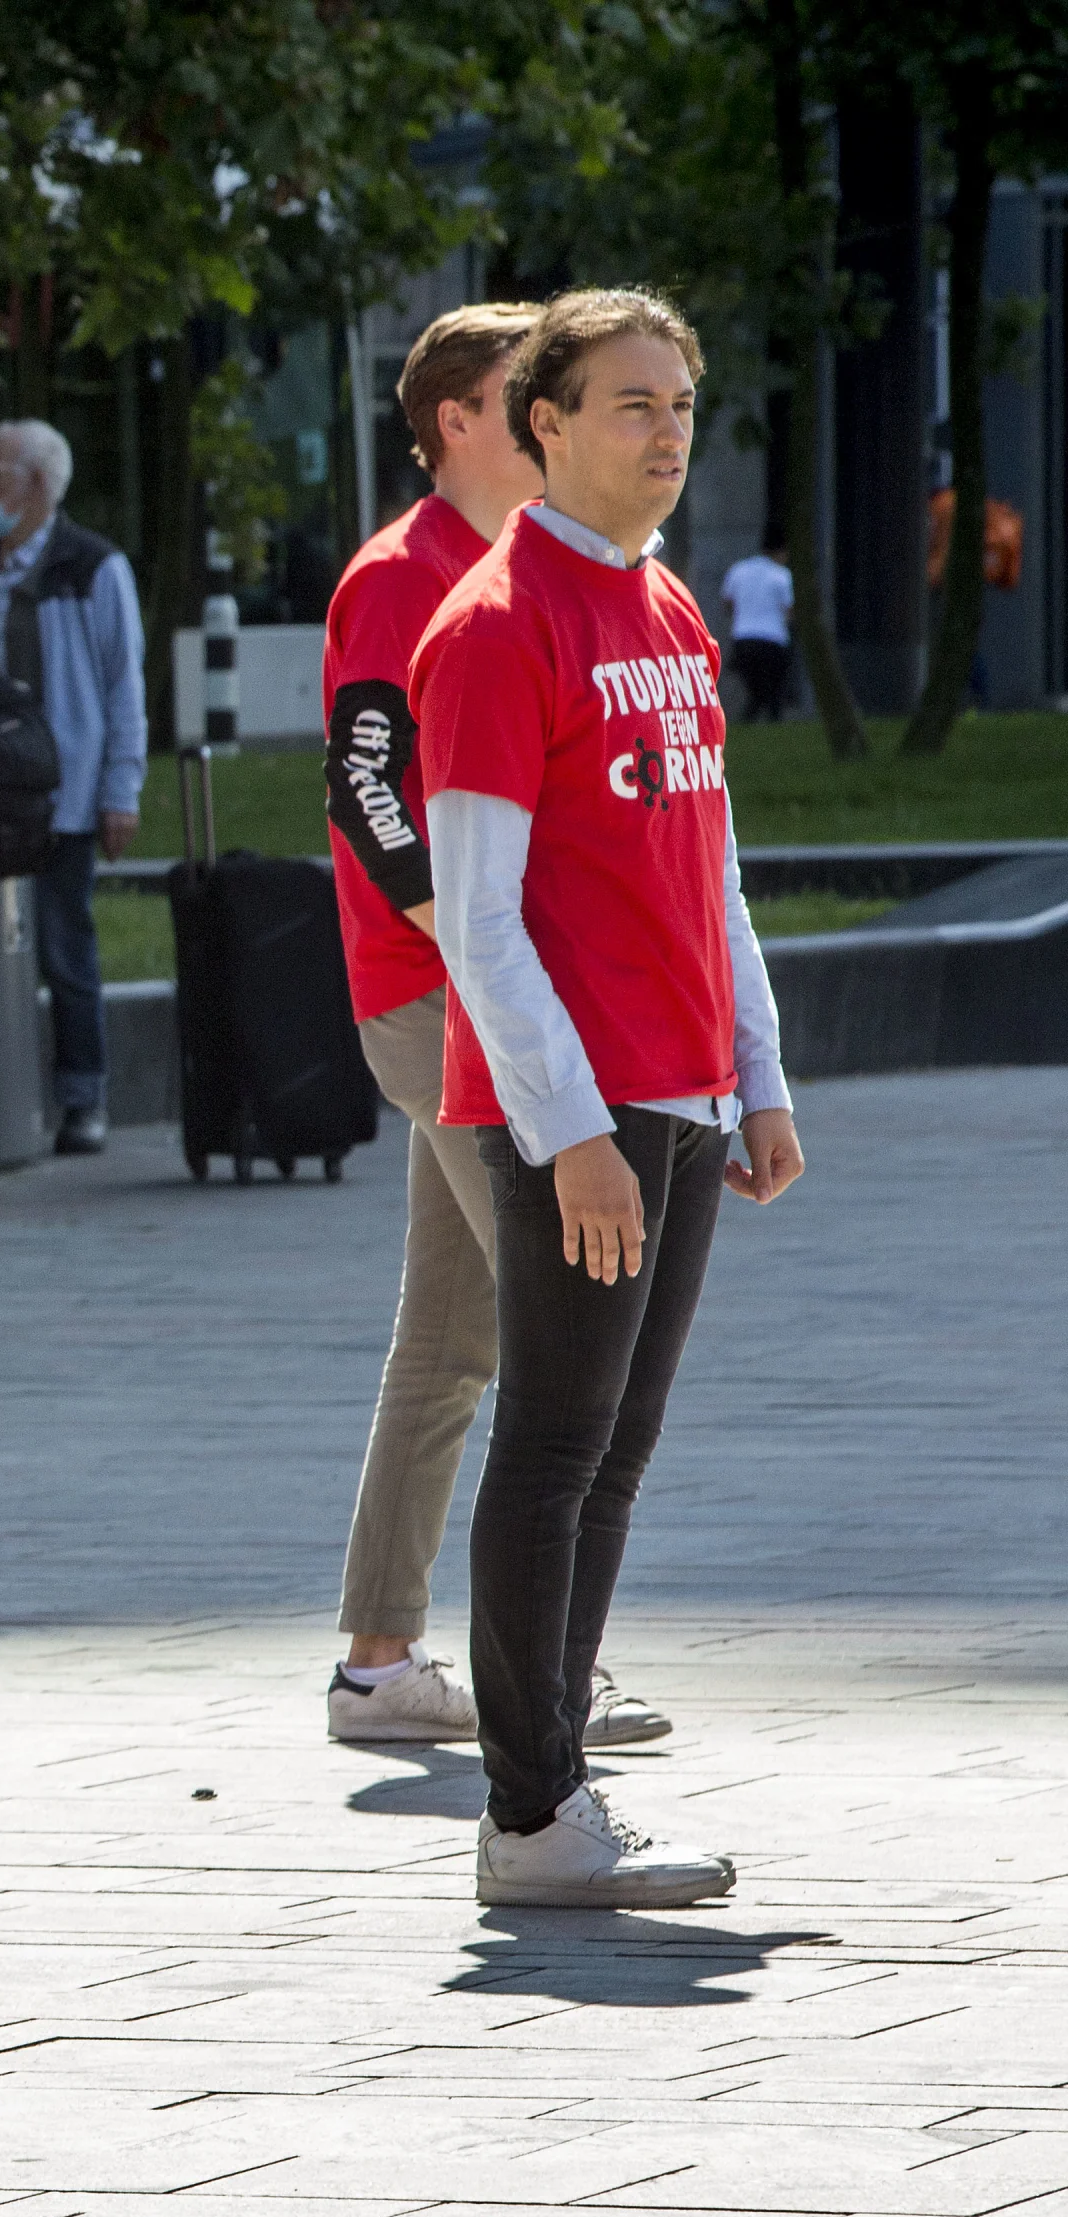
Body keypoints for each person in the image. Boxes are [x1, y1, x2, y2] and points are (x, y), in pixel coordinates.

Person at [413, 286, 804, 1907]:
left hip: (684, 1093)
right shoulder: (498, 626)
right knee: (557, 1444)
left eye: (681, 404)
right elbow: (479, 917)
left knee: (617, 1449)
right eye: (631, 403)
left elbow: (712, 869)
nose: (667, 432)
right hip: (577, 1103)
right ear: (545, 424)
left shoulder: (671, 609)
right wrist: (572, 1130)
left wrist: (758, 1074)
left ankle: (557, 1779)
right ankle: (529, 1818)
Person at [316, 302, 666, 1760]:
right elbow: (369, 791)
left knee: (454, 1338)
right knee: (559, 1335)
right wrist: (469, 952)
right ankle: (545, 1681)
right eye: (526, 389)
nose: (547, 410)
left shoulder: (546, 566)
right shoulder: (403, 579)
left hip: (492, 1008)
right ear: (459, 420)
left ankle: (380, 1664)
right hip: (435, 1000)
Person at [0, 419, 142, 1155]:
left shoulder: (89, 567)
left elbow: (122, 684)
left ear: (36, 484)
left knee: (64, 946)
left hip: (62, 793)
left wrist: (121, 790)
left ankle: (82, 1099)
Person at [720, 527, 794, 722]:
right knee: (773, 694)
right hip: (773, 641)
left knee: (756, 692)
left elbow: (727, 603)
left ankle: (749, 722)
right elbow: (790, 609)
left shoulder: (738, 570)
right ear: (781, 551)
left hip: (743, 640)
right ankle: (770, 724)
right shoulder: (782, 575)